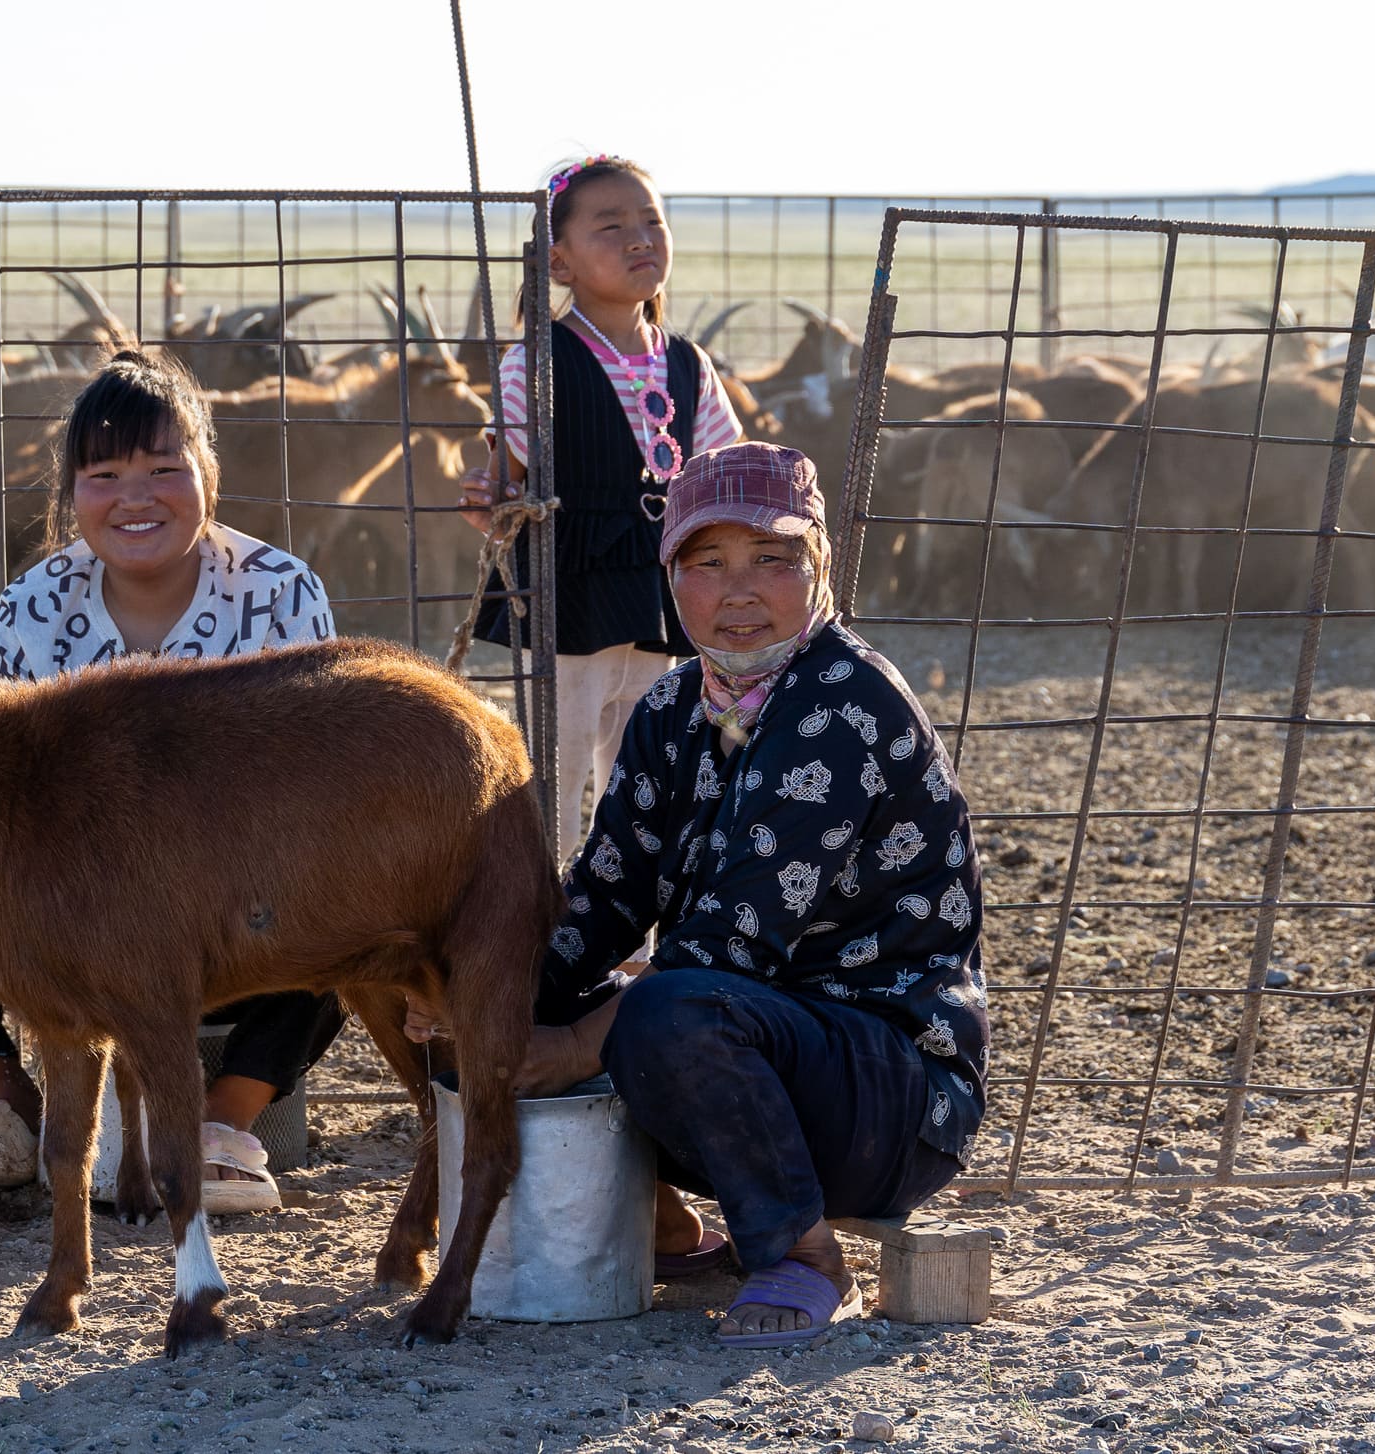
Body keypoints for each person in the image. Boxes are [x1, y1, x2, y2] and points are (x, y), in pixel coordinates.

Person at [421, 442, 988, 1346]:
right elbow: (605, 893)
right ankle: (667, 1228)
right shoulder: (676, 704)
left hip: (887, 1092)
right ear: (669, 575)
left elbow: (732, 945)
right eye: (706, 562)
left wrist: (569, 1046)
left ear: (820, 570)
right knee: (514, 998)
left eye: (774, 560)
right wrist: (485, 993)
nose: (739, 591)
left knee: (668, 1012)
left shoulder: (843, 707)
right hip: (755, 1053)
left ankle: (802, 1255)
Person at [0, 349, 346, 1216]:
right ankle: (0, 1110)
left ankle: (218, 1129)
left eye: (166, 469)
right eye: (105, 474)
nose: (136, 497)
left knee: (351, 908)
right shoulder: (31, 607)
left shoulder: (281, 593)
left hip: (235, 899)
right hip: (72, 906)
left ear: (209, 472)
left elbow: (309, 794)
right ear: (70, 491)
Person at [460, 154, 744, 860]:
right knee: (551, 770)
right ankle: (542, 924)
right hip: (570, 591)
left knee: (647, 770)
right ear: (558, 262)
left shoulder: (688, 363)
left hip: (659, 590)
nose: (640, 238)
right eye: (610, 226)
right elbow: (506, 481)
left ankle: (632, 942)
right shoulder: (536, 359)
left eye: (651, 220)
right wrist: (490, 497)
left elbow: (719, 469)